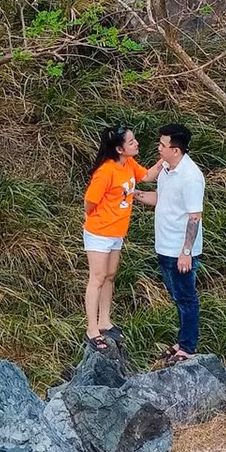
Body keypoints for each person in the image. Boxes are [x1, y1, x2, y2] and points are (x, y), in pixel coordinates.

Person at [82, 126, 163, 350]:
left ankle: (104, 321)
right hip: (100, 233)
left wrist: (165, 159)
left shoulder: (128, 164)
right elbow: (89, 202)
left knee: (109, 276)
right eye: (131, 142)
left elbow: (146, 176)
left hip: (117, 232)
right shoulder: (106, 171)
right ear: (119, 149)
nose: (136, 143)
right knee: (97, 278)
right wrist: (96, 219)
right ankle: (92, 329)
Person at [134, 123, 205, 364]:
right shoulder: (166, 168)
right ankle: (183, 340)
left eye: (163, 145)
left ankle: (188, 347)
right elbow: (162, 199)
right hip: (164, 246)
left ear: (176, 150)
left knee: (186, 298)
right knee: (177, 296)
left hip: (179, 250)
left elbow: (194, 217)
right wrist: (135, 195)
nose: (159, 148)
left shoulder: (191, 177)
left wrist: (186, 252)